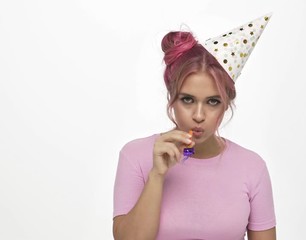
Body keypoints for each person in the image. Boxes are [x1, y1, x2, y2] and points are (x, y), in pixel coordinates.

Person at [113, 13, 276, 240]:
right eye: (187, 99)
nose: (199, 116)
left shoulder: (252, 167)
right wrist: (157, 175)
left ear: (226, 104)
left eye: (212, 101)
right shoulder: (136, 156)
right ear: (172, 97)